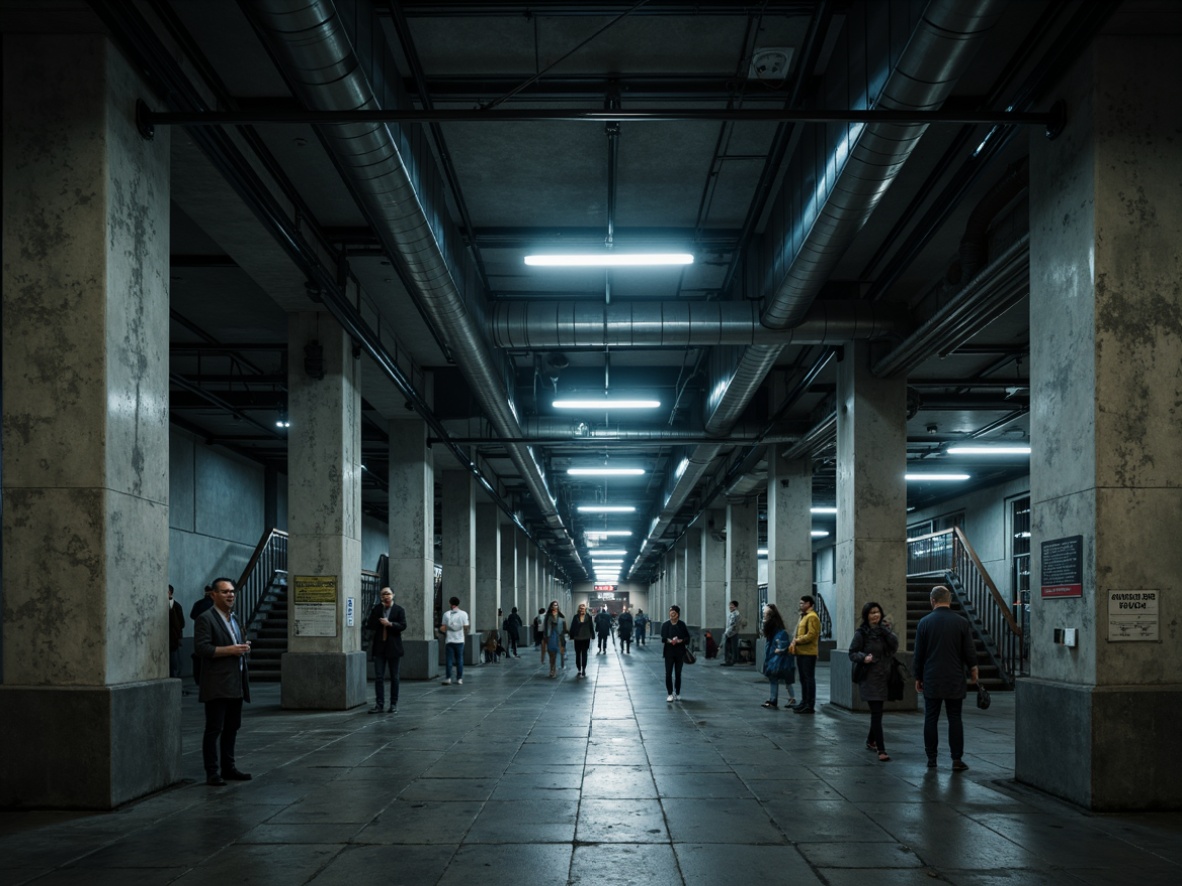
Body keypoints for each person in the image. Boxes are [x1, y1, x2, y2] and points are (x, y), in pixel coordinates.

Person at [912, 585, 979, 771]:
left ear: (932, 600)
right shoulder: (961, 622)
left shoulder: (924, 623)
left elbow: (919, 654)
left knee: (931, 718)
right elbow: (968, 650)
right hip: (955, 678)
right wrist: (973, 668)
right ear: (949, 600)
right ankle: (957, 759)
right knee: (955, 718)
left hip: (932, 677)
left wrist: (918, 676)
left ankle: (931, 759)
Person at [194, 576, 252, 786]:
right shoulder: (206, 618)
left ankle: (229, 767)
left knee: (232, 727)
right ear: (213, 595)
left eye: (232, 592)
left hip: (235, 682)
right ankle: (212, 772)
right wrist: (232, 650)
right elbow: (202, 648)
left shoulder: (233, 618)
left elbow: (235, 644)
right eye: (225, 591)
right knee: (214, 729)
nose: (230, 595)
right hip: (217, 684)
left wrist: (243, 646)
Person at [849, 601, 899, 761]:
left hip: (884, 677)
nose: (875, 615)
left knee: (877, 712)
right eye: (872, 612)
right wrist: (864, 658)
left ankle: (870, 740)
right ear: (866, 615)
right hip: (869, 677)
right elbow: (852, 653)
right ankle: (881, 749)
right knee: (877, 712)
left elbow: (894, 647)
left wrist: (887, 631)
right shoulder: (861, 633)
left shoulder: (884, 632)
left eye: (877, 612)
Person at [367, 587, 406, 713]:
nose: (386, 596)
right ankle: (379, 704)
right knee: (379, 677)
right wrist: (379, 617)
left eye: (388, 594)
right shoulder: (377, 609)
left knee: (394, 677)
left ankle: (393, 704)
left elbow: (403, 625)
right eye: (383, 594)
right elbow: (370, 625)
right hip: (380, 647)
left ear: (393, 595)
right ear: (380, 596)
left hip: (394, 647)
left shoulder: (399, 610)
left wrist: (390, 624)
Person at [760, 603, 796, 709]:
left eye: (765, 614)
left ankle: (789, 698)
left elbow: (782, 645)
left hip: (779, 659)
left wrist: (779, 649)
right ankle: (774, 699)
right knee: (778, 679)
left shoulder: (777, 631)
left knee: (784, 679)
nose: (764, 616)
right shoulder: (774, 629)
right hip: (776, 658)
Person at [789, 595, 820, 714]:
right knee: (803, 678)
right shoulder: (803, 616)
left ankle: (809, 704)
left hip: (809, 653)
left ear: (809, 604)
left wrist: (798, 640)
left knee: (808, 678)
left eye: (802, 603)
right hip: (801, 652)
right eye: (800, 603)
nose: (800, 605)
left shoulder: (812, 617)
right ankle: (804, 701)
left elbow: (812, 635)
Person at [661, 605, 691, 702]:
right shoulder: (665, 625)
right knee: (668, 673)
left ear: (678, 614)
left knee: (678, 673)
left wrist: (680, 641)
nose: (672, 615)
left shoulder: (682, 625)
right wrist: (669, 640)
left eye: (674, 613)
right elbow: (663, 638)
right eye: (670, 613)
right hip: (669, 652)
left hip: (680, 652)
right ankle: (669, 693)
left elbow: (687, 639)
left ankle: (677, 693)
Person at [439, 596, 469, 685]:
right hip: (460, 640)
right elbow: (466, 627)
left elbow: (443, 628)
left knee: (449, 660)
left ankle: (448, 678)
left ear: (450, 603)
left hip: (449, 640)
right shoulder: (464, 614)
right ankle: (459, 679)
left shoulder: (446, 614)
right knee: (459, 659)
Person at [189, 584, 214, 688]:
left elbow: (192, 615)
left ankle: (198, 679)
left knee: (199, 656)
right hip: (211, 633)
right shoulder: (214, 605)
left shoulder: (198, 604)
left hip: (199, 633)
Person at [541, 600, 567, 678]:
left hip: (559, 637)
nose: (555, 607)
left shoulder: (561, 616)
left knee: (556, 654)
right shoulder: (548, 616)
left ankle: (554, 670)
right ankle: (552, 668)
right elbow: (546, 628)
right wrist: (545, 637)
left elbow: (564, 627)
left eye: (556, 605)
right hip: (550, 637)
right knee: (551, 654)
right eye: (553, 605)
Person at [568, 602, 594, 677]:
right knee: (578, 654)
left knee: (585, 653)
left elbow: (591, 626)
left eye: (583, 608)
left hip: (586, 637)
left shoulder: (588, 617)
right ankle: (579, 667)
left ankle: (584, 668)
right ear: (578, 610)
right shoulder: (575, 617)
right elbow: (573, 626)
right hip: (577, 638)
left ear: (585, 609)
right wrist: (571, 635)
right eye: (581, 608)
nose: (582, 610)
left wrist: (592, 635)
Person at [168, 585, 185, 679]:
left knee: (174, 661)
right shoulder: (175, 605)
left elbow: (182, 623)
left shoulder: (176, 606)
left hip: (173, 638)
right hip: (170, 637)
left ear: (170, 592)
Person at [722, 600, 741, 666]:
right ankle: (728, 660)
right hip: (728, 633)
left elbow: (733, 625)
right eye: (730, 605)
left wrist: (727, 632)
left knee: (733, 647)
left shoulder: (736, 614)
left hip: (733, 633)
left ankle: (732, 660)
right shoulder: (730, 614)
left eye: (732, 605)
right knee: (727, 648)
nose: (730, 607)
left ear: (735, 607)